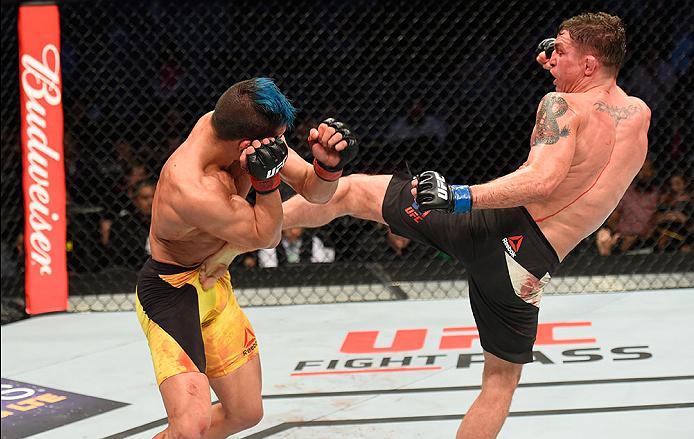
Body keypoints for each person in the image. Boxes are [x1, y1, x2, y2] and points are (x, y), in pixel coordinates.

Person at [277, 12, 650, 439]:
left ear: (588, 64)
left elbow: (542, 180)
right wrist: (566, 69)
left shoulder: (560, 105)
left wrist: (459, 197)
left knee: (350, 192)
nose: (551, 55)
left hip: (493, 226)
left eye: (561, 49)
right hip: (529, 265)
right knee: (498, 385)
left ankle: (249, 229)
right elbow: (587, 165)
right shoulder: (638, 115)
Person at [136, 77, 357, 438]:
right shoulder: (191, 187)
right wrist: (266, 184)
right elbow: (266, 235)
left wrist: (327, 166)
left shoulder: (242, 127)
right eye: (277, 139)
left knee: (245, 412)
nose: (281, 145)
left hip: (213, 279)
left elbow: (314, 192)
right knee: (190, 425)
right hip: (170, 292)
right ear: (247, 143)